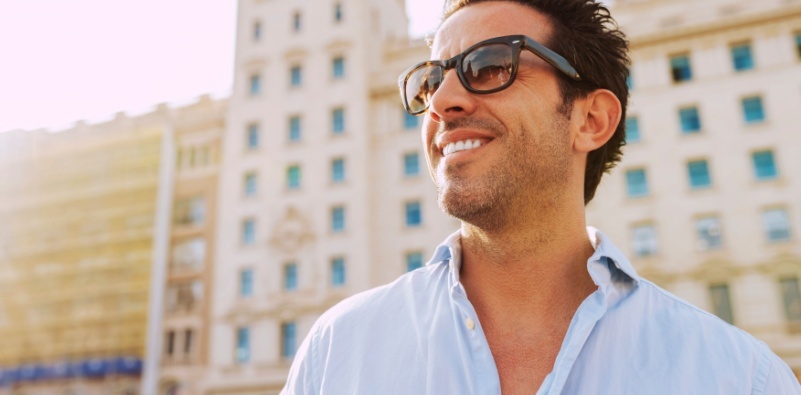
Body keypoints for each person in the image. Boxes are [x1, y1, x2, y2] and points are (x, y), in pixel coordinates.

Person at [282, 0, 801, 393]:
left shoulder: (740, 377)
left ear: (591, 119)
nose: (440, 102)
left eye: (489, 65)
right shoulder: (338, 352)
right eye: (429, 83)